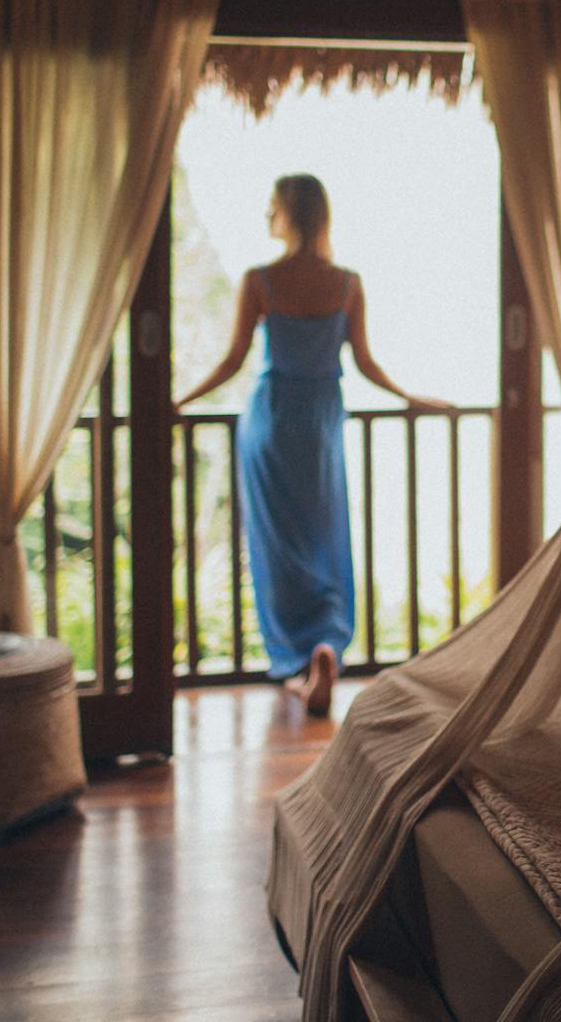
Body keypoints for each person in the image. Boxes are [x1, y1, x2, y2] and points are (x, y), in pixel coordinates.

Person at [177, 174, 445, 715]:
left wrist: (179, 403)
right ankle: (325, 648)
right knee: (325, 538)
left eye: (272, 207)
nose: (266, 216)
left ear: (291, 215)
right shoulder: (346, 283)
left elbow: (232, 362)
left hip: (271, 420)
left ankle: (300, 661)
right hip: (321, 422)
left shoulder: (262, 280)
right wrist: (411, 399)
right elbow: (365, 364)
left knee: (279, 547)